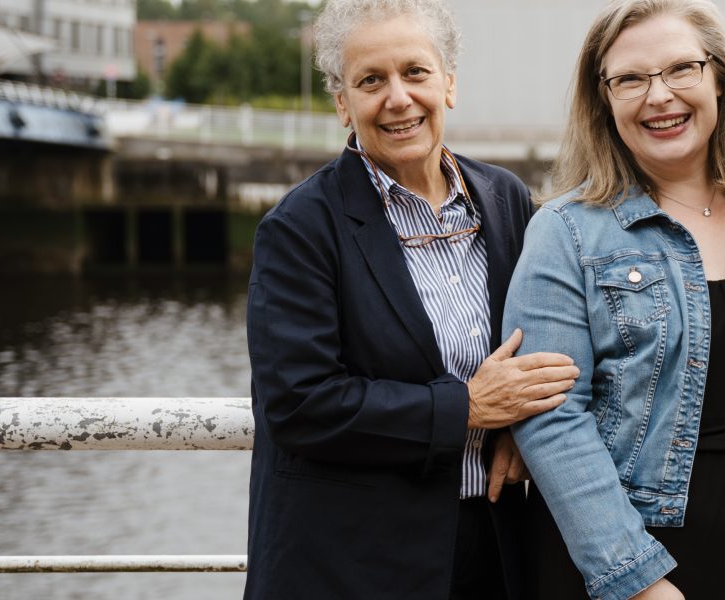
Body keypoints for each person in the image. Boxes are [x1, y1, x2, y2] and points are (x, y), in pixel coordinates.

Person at [243, 0, 577, 596]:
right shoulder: (300, 228)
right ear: (342, 102)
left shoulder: (504, 200)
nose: (397, 98)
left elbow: (544, 349)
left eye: (415, 72)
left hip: (497, 546)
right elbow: (300, 403)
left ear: (448, 82)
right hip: (359, 562)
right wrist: (467, 409)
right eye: (371, 80)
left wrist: (525, 430)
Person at [502, 1, 725, 599]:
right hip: (641, 557)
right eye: (630, 79)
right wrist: (637, 579)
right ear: (604, 100)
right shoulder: (568, 231)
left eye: (680, 69)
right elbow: (553, 419)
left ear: (718, 77)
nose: (658, 96)